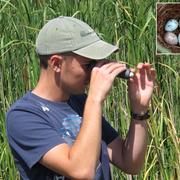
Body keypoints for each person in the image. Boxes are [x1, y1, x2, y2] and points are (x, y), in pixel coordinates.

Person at [6, 16, 156, 180]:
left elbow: (130, 163)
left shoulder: (80, 101)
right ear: (56, 63)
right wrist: (95, 98)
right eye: (89, 65)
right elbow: (81, 172)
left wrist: (139, 109)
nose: (95, 72)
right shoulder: (23, 115)